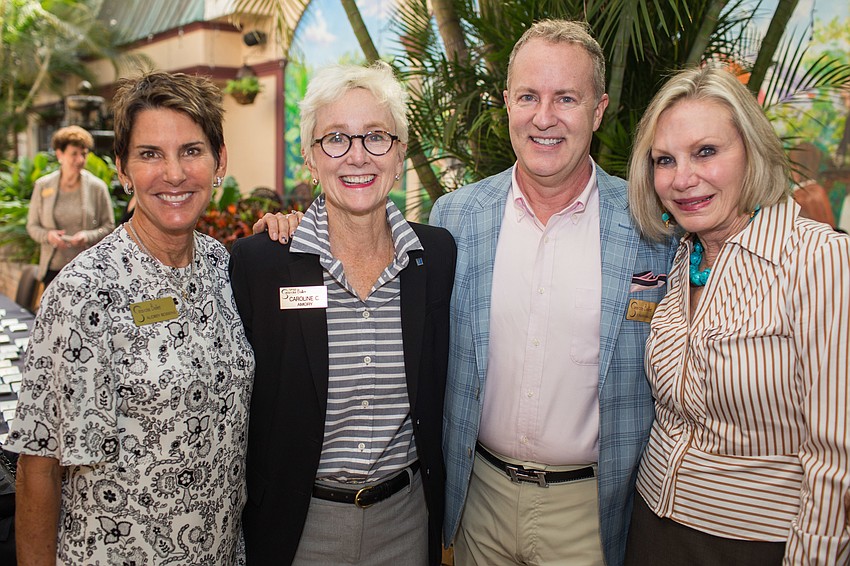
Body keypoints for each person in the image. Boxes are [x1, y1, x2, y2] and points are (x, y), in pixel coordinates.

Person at [429, 19, 674, 566]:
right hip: (480, 504)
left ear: (599, 109)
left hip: (592, 514)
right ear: (507, 103)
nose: (544, 117)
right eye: (528, 96)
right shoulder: (455, 218)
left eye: (566, 97)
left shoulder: (650, 227)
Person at [7, 70, 254, 565]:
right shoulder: (83, 293)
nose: (175, 173)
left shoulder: (226, 268)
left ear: (219, 160)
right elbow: (39, 465)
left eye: (191, 150)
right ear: (121, 170)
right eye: (149, 154)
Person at [230, 62, 455, 565]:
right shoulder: (262, 265)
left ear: (399, 155)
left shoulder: (436, 257)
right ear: (311, 158)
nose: (357, 156)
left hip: (407, 519)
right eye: (335, 138)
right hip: (301, 526)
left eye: (376, 137)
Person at [625, 65, 850, 564]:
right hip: (652, 526)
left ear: (751, 149)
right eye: (665, 160)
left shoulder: (817, 259)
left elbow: (837, 455)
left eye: (706, 151)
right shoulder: (684, 256)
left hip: (755, 543)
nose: (683, 179)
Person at [26, 125, 115, 287]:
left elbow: (109, 226)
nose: (80, 160)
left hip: (87, 269)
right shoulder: (43, 186)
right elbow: (32, 226)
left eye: (84, 154)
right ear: (60, 154)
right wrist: (48, 236)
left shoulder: (97, 187)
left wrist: (88, 236)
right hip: (53, 271)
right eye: (74, 154)